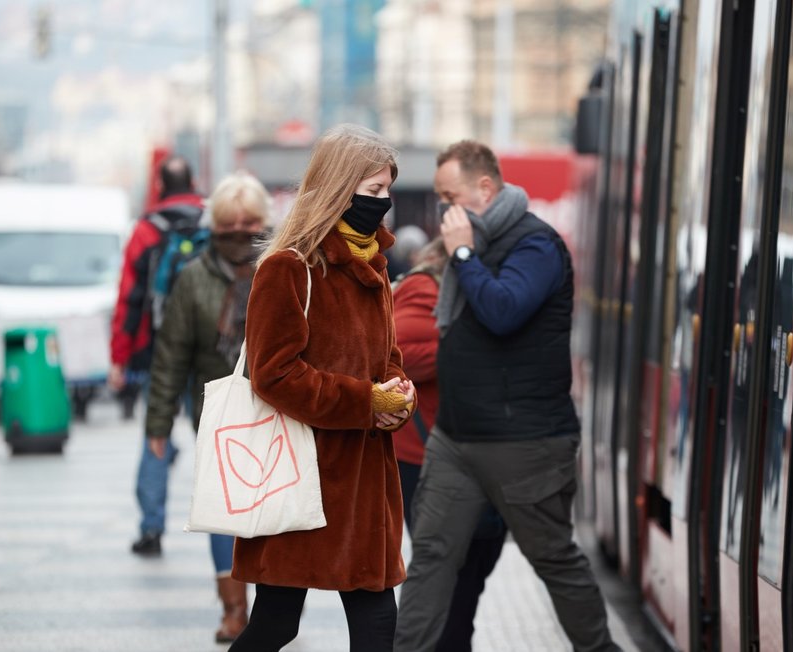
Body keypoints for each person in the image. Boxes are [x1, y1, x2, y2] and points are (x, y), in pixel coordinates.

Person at [395, 140, 619, 651]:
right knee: (431, 558)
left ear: (486, 188)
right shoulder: (468, 244)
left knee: (553, 558)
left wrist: (465, 254)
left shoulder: (534, 244)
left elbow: (503, 310)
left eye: (451, 196)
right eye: (440, 199)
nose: (444, 210)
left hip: (526, 441)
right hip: (456, 438)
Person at [228, 123, 415, 652]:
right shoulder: (289, 269)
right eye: (374, 190)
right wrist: (365, 401)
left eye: (387, 190)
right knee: (276, 625)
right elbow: (274, 374)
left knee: (378, 626)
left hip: (363, 483)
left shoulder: (373, 267)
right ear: (339, 187)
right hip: (299, 477)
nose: (384, 202)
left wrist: (399, 398)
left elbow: (390, 362)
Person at [143, 171, 269, 642]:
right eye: (230, 223)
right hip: (214, 415)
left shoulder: (281, 266)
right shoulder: (193, 277)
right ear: (214, 224)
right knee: (224, 513)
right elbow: (170, 354)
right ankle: (234, 609)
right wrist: (157, 425)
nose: (240, 232)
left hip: (276, 409)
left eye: (250, 222)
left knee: (274, 511)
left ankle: (272, 609)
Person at [391, 236, 507, 651]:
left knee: (466, 578)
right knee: (447, 581)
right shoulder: (426, 287)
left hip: (469, 456)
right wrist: (475, 347)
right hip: (426, 458)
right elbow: (399, 351)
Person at [108, 155, 206, 556]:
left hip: (157, 351)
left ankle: (151, 529)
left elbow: (129, 299)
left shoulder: (146, 230)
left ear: (161, 187)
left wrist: (119, 357)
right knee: (215, 438)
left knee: (155, 434)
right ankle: (235, 526)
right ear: (193, 182)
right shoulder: (213, 221)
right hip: (208, 352)